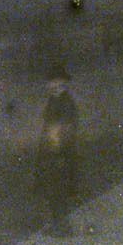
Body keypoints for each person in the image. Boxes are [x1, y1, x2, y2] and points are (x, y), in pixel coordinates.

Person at [35, 62, 80, 234]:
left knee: (58, 190)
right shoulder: (53, 100)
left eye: (58, 83)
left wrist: (57, 152)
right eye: (51, 82)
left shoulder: (66, 103)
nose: (54, 86)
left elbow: (66, 129)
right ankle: (55, 224)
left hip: (60, 153)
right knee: (51, 189)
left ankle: (62, 226)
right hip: (50, 151)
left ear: (64, 84)